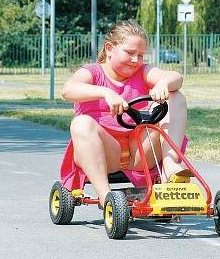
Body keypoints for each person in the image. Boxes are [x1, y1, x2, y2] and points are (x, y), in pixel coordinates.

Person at [60, 20, 191, 207]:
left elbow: (176, 78)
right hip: (106, 153)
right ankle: (106, 197)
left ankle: (170, 164)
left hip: (139, 152)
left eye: (140, 55)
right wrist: (105, 92)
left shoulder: (142, 72)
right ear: (109, 48)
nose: (136, 60)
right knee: (81, 123)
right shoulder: (93, 72)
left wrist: (163, 83)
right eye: (130, 53)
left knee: (176, 96)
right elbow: (67, 90)